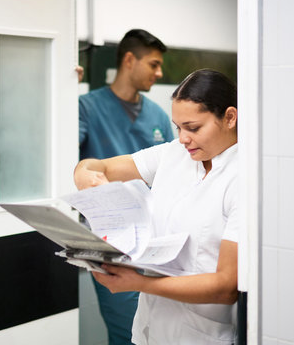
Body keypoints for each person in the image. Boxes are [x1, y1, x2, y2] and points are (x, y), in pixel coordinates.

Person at [74, 69, 239, 344]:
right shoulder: (173, 154)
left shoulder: (243, 178)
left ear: (230, 118)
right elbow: (100, 166)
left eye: (193, 128)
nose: (183, 138)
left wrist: (139, 284)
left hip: (203, 335)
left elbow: (226, 286)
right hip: (150, 330)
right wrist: (83, 172)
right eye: (178, 127)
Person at [78, 29, 174, 344]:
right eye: (154, 64)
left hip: (153, 237)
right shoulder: (86, 107)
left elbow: (173, 171)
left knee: (155, 327)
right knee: (125, 331)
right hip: (108, 238)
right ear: (129, 60)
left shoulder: (158, 115)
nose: (159, 74)